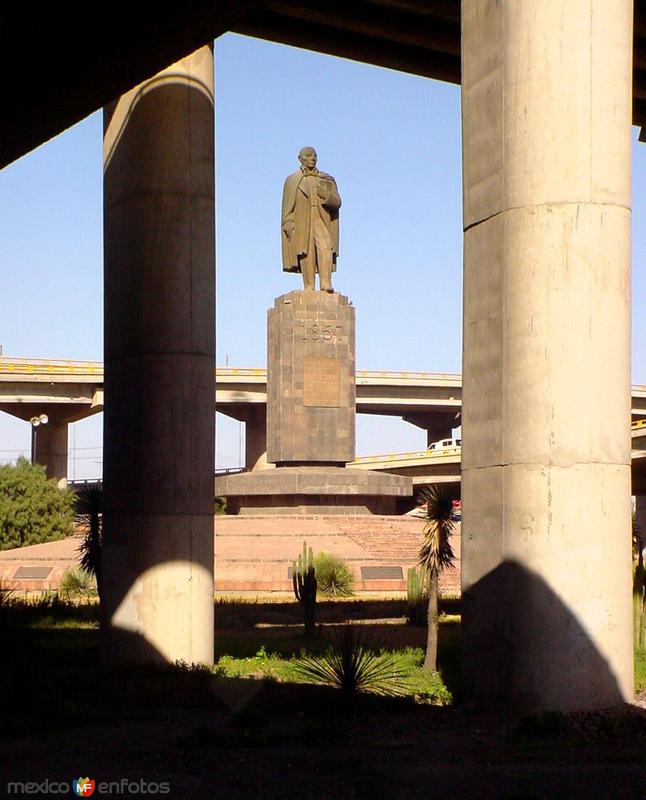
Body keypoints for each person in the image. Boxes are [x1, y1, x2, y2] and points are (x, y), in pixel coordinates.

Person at [281, 146, 341, 292]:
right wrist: (288, 222)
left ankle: (326, 283)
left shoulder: (326, 179)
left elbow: (337, 202)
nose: (312, 158)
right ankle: (309, 286)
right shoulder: (292, 181)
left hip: (320, 218)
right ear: (300, 159)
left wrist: (326, 195)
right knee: (306, 251)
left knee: (325, 245)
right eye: (308, 155)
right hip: (302, 220)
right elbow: (287, 206)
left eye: (314, 155)